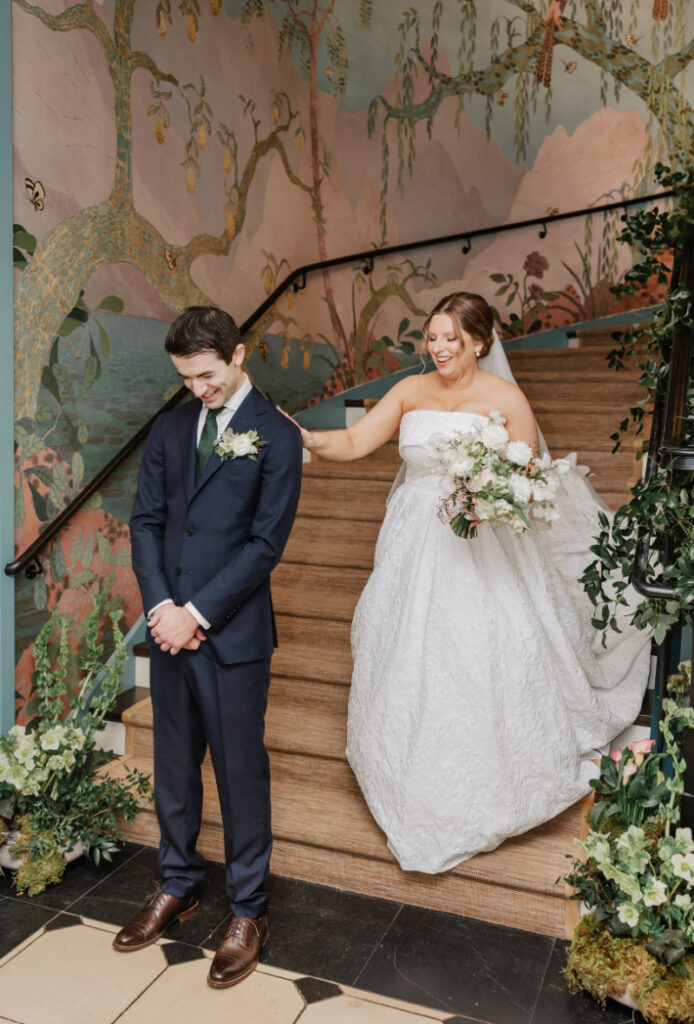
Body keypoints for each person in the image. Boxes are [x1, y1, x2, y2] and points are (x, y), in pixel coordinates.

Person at [288, 292, 651, 873]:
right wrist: (306, 439)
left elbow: (531, 477)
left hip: (482, 545)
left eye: (451, 339)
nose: (439, 349)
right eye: (432, 338)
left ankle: (491, 774)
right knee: (408, 650)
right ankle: (406, 773)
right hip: (414, 544)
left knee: (482, 651)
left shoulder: (505, 398)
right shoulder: (410, 391)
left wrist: (490, 500)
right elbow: (356, 441)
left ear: (480, 342)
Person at [118, 306, 302, 986]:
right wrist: (164, 607)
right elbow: (147, 523)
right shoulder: (170, 427)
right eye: (186, 377)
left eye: (207, 374)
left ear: (238, 354)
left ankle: (248, 909)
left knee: (239, 772)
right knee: (173, 762)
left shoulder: (276, 438)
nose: (199, 388)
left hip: (233, 635)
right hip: (170, 633)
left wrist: (197, 611)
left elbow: (265, 547)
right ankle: (178, 882)